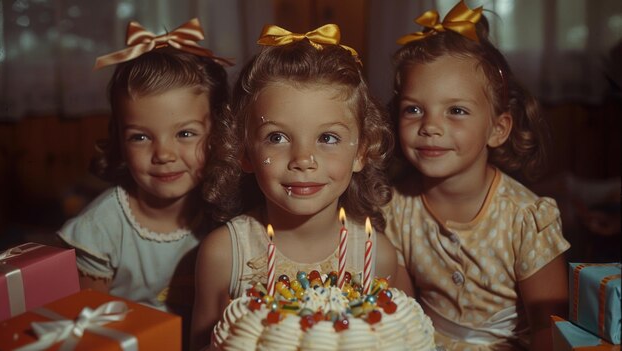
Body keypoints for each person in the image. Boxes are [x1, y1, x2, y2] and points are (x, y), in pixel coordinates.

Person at [190, 24, 410, 349]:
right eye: (277, 138)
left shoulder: (376, 256)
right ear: (245, 152)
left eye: (328, 138)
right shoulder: (224, 254)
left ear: (362, 151)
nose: (303, 159)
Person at [384, 1, 571, 350]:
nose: (430, 127)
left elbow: (551, 328)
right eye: (414, 109)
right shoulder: (395, 210)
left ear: (497, 129)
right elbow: (402, 316)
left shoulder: (526, 219)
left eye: (456, 110)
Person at [57, 18, 235, 343]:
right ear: (120, 143)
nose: (163, 154)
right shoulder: (99, 230)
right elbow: (87, 331)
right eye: (140, 137)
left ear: (217, 136)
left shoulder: (226, 214)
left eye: (185, 133)